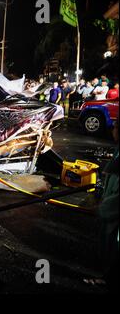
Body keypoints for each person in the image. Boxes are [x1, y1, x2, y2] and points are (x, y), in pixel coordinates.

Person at [85, 119, 119, 292]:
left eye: (115, 127)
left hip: (115, 214)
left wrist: (102, 209)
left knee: (114, 248)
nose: (112, 130)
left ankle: (109, 279)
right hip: (111, 207)